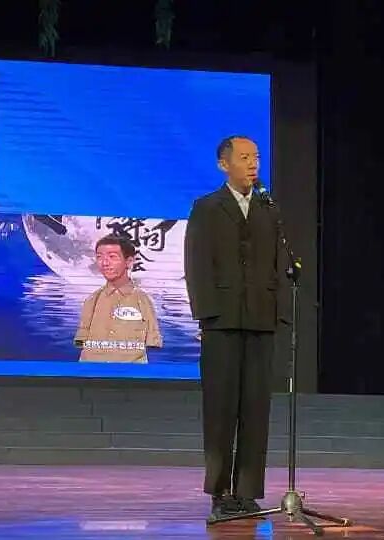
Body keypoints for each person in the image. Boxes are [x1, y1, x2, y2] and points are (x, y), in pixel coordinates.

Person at [184, 135, 290, 522]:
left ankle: (247, 491)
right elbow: (196, 265)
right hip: (221, 321)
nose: (253, 164)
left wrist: (277, 311)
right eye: (244, 157)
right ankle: (220, 491)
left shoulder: (268, 207)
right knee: (221, 409)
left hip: (260, 319)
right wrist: (206, 315)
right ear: (223, 164)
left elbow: (279, 263)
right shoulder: (207, 207)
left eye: (256, 157)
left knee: (256, 409)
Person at [74, 234, 162, 363]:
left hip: (130, 372)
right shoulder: (92, 300)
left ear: (129, 261)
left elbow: (153, 343)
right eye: (99, 257)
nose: (105, 263)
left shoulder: (143, 300)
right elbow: (81, 342)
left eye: (112, 257)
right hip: (92, 370)